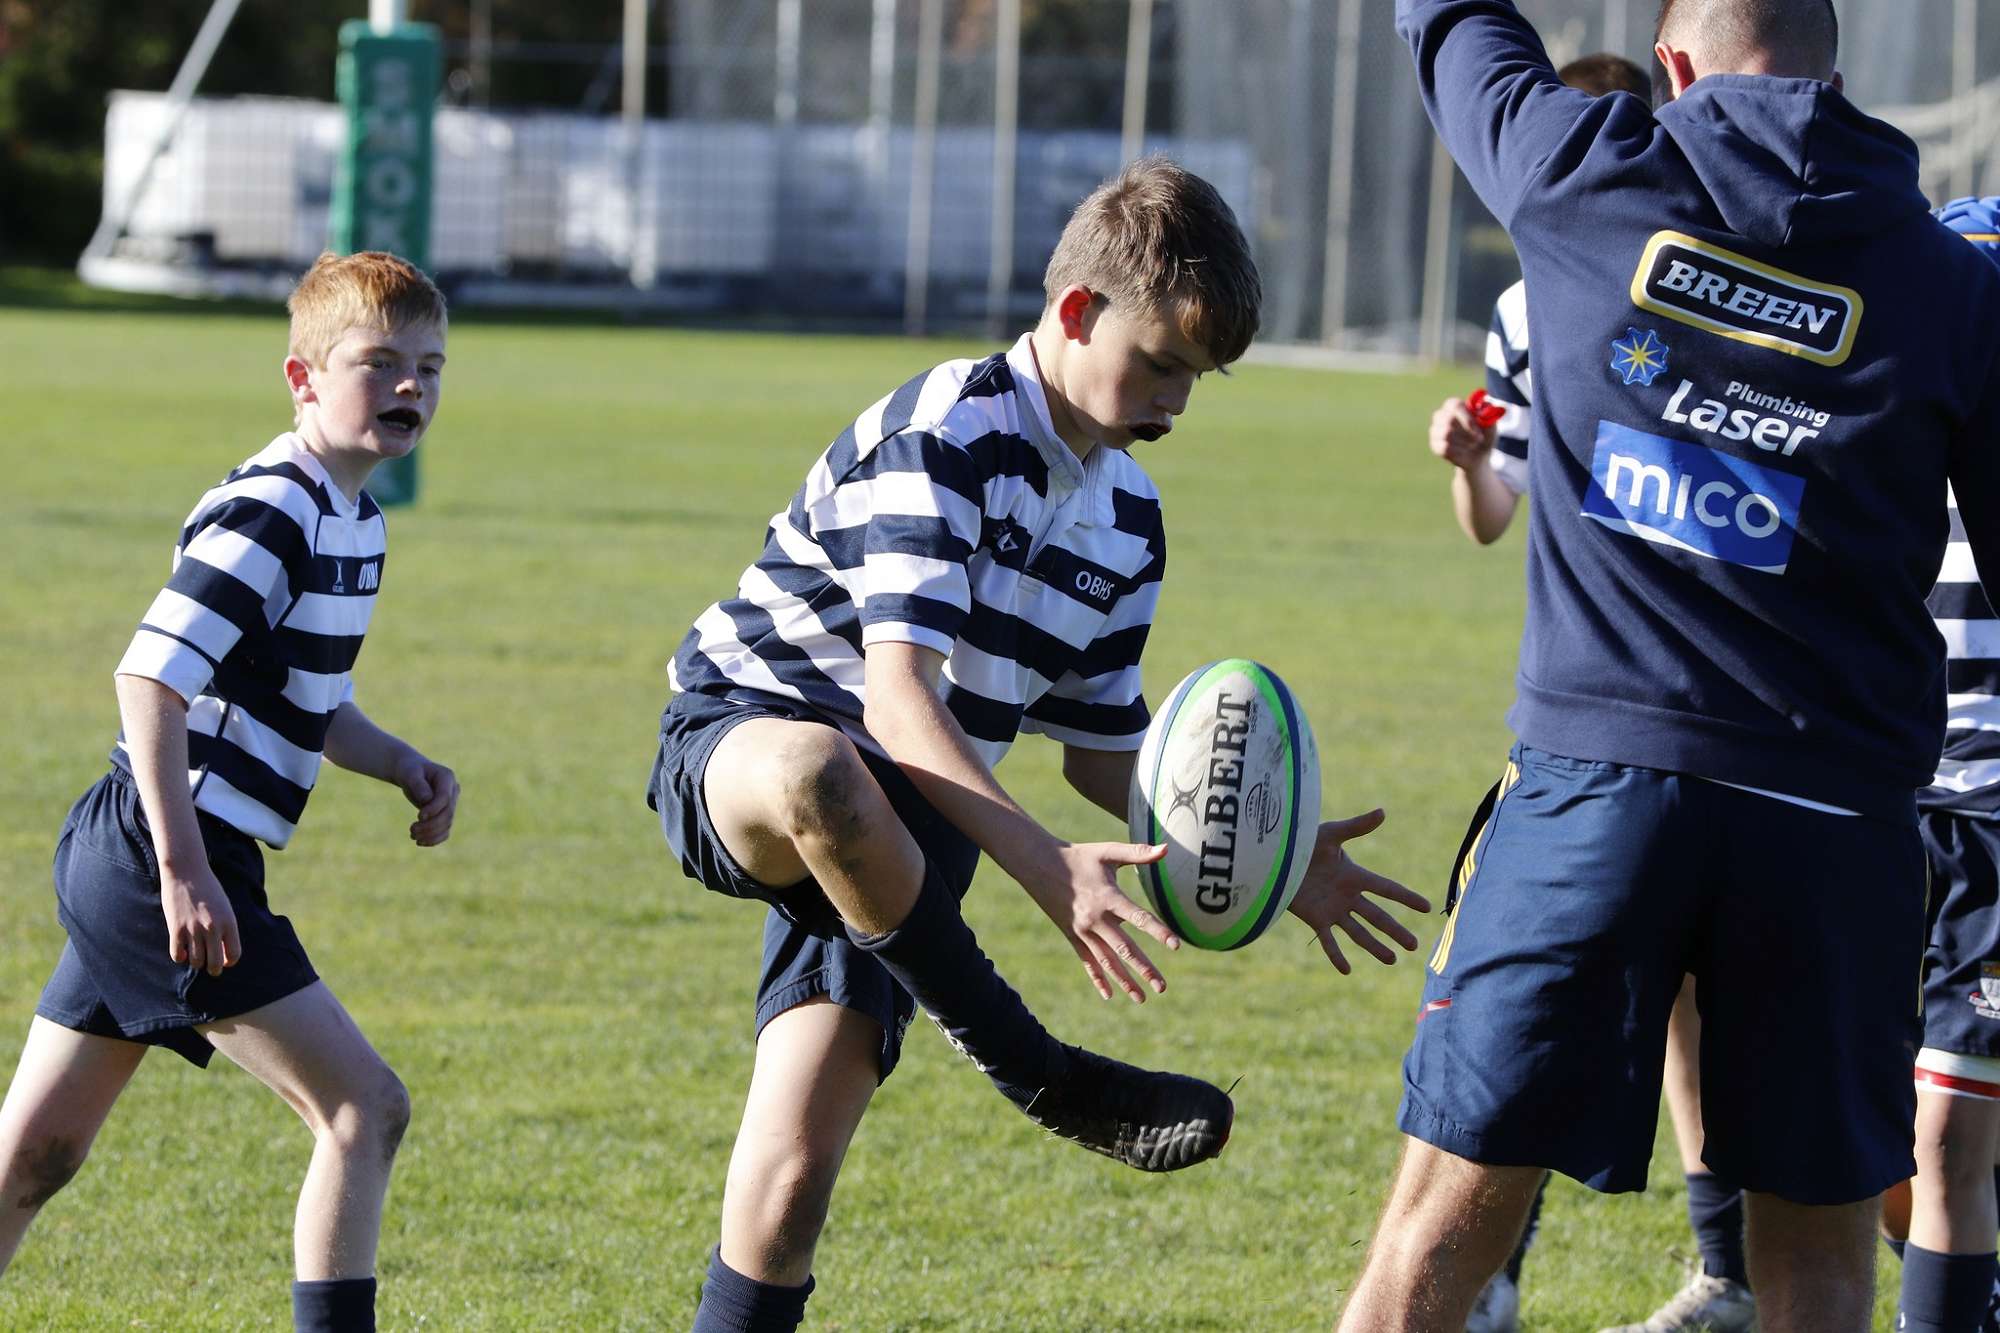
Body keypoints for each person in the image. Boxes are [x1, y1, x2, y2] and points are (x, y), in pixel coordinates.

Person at [650, 156, 1430, 1333]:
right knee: (821, 769)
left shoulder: (1127, 516)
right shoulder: (948, 433)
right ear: (1075, 312)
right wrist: (1052, 868)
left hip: (917, 816)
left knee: (791, 1182)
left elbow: (1100, 750)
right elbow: (896, 703)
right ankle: (1035, 1068)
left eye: (1196, 378)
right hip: (742, 745)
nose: (1175, 401)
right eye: (1159, 362)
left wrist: (1262, 850)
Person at [1345, 1, 2000, 1329]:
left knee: (1433, 1235)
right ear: (1831, 70)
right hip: (1834, 826)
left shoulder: (1580, 169)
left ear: (1673, 69)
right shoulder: (1952, 287)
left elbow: (1451, 20)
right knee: (1817, 1263)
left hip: (1595, 792)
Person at [0, 250, 459, 1333]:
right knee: (364, 1107)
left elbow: (311, 702)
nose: (409, 385)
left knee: (35, 1155)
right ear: (303, 378)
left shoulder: (354, 520)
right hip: (160, 850)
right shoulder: (274, 508)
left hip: (178, 853)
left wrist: (400, 760)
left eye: (430, 367)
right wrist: (183, 868)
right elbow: (149, 678)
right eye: (378, 362)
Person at [1431, 47, 1757, 1333]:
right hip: (1580, 704)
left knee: (1681, 997)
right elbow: (1490, 512)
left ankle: (1726, 1271)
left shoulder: (1722, 276)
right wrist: (1465, 460)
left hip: (1699, 701)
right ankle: (1495, 1283)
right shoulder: (1530, 302)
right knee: (1534, 998)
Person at [1877, 195, 2000, 1333]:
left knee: (1949, 1132)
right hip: (1881, 796)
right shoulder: (1886, 440)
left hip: (1992, 814)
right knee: (1876, 1146)